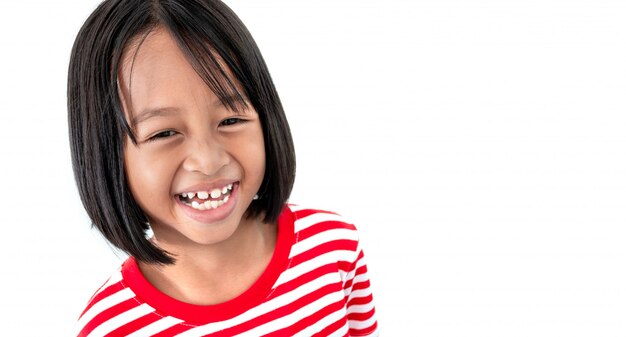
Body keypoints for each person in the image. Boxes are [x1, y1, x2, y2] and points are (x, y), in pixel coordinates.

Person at [68, 0, 378, 336]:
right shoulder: (110, 326)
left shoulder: (333, 246)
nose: (209, 160)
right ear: (105, 153)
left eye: (230, 120)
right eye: (164, 133)